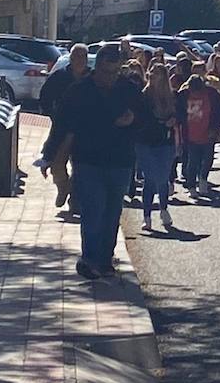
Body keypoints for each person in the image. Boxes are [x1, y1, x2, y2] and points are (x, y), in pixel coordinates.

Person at [41, 45, 143, 280]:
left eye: (116, 72)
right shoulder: (79, 91)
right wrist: (49, 155)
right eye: (107, 72)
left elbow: (145, 118)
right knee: (93, 211)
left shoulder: (128, 90)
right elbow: (61, 125)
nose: (111, 78)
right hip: (88, 160)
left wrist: (133, 119)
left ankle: (105, 259)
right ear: (97, 68)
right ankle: (89, 259)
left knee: (111, 212)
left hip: (120, 161)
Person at [39, 42, 90, 211]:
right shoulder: (60, 76)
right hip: (62, 128)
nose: (79, 60)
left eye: (82, 57)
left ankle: (75, 201)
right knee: (56, 165)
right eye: (76, 57)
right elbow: (45, 97)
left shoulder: (92, 78)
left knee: (81, 168)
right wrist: (53, 114)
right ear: (71, 57)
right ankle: (63, 187)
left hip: (85, 130)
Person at [137, 63, 178, 231]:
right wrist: (159, 122)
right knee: (150, 178)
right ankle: (147, 216)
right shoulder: (144, 96)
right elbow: (141, 118)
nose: (154, 76)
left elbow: (180, 113)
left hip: (165, 142)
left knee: (163, 177)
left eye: (159, 74)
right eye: (152, 73)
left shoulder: (172, 96)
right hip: (146, 142)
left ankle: (163, 208)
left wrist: (173, 120)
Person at [177, 65, 220, 198]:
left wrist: (215, 129)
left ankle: (203, 179)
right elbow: (179, 113)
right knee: (192, 161)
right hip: (191, 134)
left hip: (208, 133)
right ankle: (191, 185)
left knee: (208, 159)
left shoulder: (212, 94)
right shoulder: (183, 95)